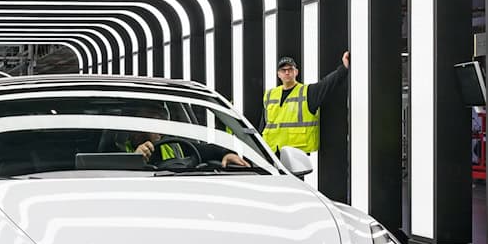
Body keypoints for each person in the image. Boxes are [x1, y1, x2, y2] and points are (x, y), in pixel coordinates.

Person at [260, 52, 350, 153]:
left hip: (296, 155)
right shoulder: (270, 94)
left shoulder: (307, 92)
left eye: (290, 69)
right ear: (278, 74)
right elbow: (263, 125)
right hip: (271, 153)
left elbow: (327, 83)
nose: (287, 72)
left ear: (296, 72)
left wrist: (344, 67)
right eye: (283, 70)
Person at [117, 101, 250, 168]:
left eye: (163, 119)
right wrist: (134, 159)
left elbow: (208, 150)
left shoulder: (174, 145)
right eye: (155, 120)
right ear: (138, 123)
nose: (162, 126)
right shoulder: (116, 149)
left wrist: (226, 154)